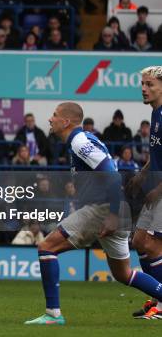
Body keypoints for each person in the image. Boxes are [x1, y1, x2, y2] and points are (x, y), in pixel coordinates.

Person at [25, 102, 162, 325]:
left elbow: (112, 175)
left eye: (54, 115)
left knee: (46, 247)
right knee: (124, 274)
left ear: (67, 121)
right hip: (115, 209)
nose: (50, 119)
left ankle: (53, 314)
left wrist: (113, 215)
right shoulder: (83, 140)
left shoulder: (79, 141)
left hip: (103, 209)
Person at [126, 66, 162, 319]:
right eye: (142, 83)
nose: (144, 88)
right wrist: (142, 174)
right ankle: (157, 301)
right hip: (156, 188)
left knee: (153, 246)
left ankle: (161, 304)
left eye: (150, 84)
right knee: (139, 242)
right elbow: (157, 155)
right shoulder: (155, 115)